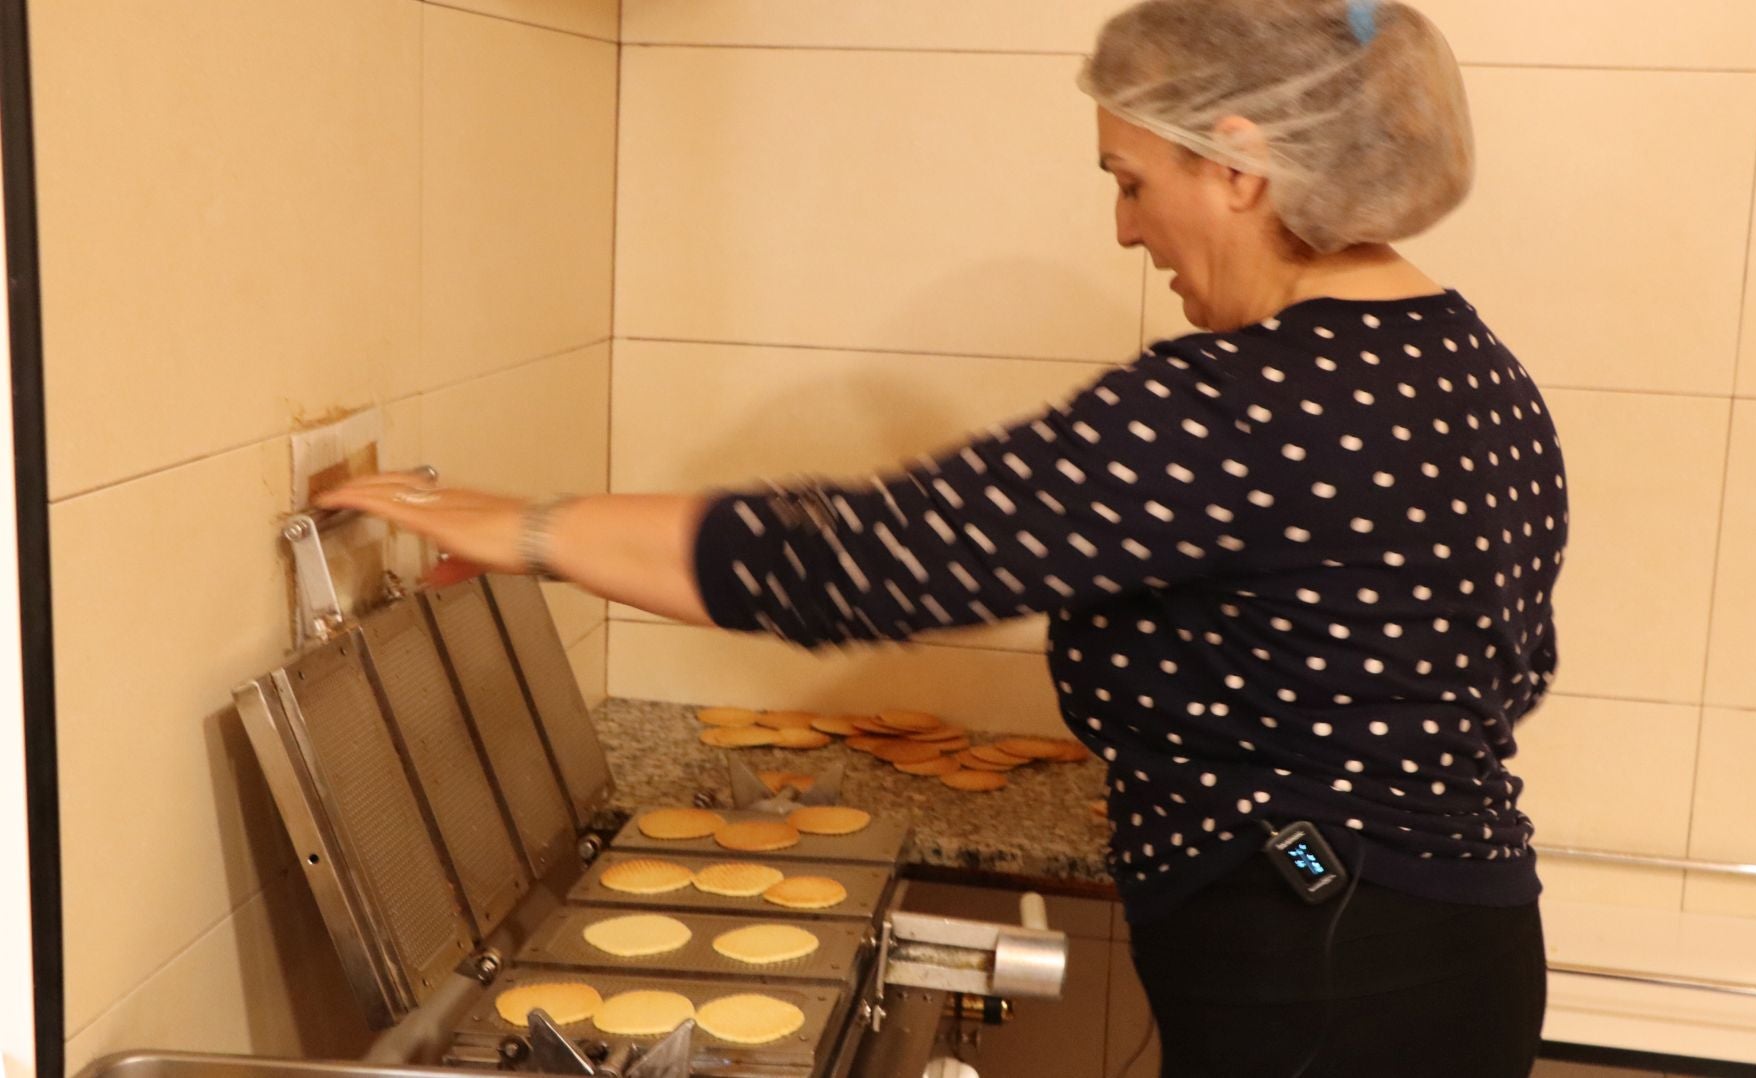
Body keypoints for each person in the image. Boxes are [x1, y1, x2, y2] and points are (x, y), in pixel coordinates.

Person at [322, 1, 1563, 1073]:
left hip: (1319, 965)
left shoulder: (1241, 403)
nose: (1126, 231)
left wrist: (527, 527)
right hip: (1456, 941)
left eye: (1132, 182)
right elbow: (1489, 669)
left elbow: (863, 560)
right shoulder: (1476, 370)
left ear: (1238, 166)